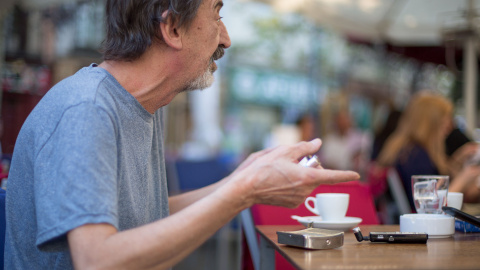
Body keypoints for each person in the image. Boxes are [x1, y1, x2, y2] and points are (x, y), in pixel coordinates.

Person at [4, 1, 360, 269]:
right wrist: (242, 191)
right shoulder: (86, 108)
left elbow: (147, 217)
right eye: (217, 14)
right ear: (172, 27)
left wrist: (247, 176)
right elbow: (97, 260)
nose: (226, 38)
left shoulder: (144, 106)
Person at [377, 91, 480, 211]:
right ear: (432, 123)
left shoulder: (408, 151)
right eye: (445, 120)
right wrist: (464, 178)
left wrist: (456, 159)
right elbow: (429, 207)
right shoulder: (417, 156)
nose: (449, 126)